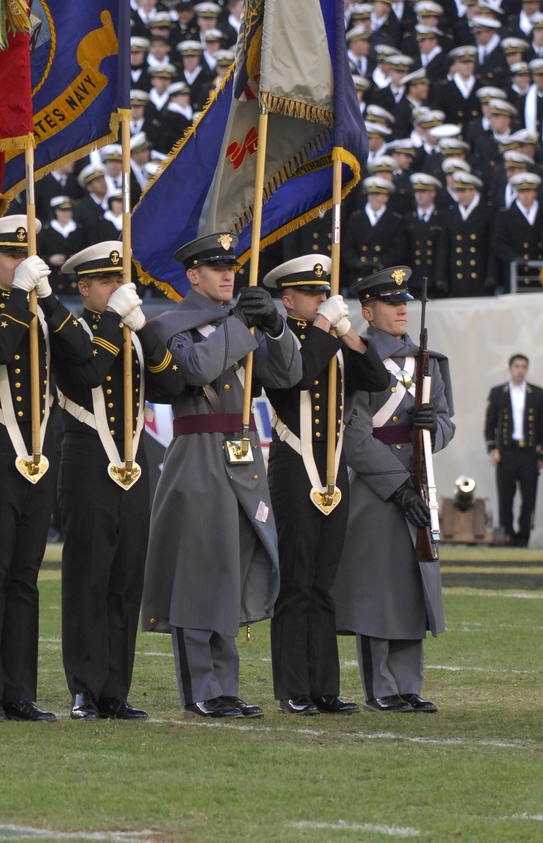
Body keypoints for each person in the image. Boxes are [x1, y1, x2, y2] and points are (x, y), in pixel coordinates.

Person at [141, 233, 302, 718]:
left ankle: (225, 687)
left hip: (241, 450)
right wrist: (240, 325)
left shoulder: (237, 323)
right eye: (216, 267)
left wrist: (275, 327)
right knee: (199, 574)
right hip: (198, 453)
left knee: (230, 570)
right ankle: (201, 690)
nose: (228, 274)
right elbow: (193, 369)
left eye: (232, 266)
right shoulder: (169, 326)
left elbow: (289, 375)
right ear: (193, 275)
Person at [0, 215, 94, 723]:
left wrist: (48, 297)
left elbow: (83, 353)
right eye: (10, 257)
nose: (20, 263)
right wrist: (20, 296)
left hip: (42, 450)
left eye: (25, 256)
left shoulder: (40, 309)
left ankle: (20, 691)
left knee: (25, 575)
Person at [54, 241, 184, 720]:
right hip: (88, 463)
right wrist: (114, 320)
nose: (116, 289)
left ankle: (115, 690)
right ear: (84, 288)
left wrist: (144, 328)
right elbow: (87, 375)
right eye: (106, 282)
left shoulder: (133, 332)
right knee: (88, 576)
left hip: (134, 464)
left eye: (120, 281)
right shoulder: (70, 330)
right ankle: (84, 688)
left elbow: (170, 387)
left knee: (126, 579)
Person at [262, 254, 390, 715]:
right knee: (296, 581)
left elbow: (375, 380)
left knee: (324, 583)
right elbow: (297, 375)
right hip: (295, 467)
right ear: (288, 299)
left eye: (324, 293)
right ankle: (293, 688)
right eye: (312, 294)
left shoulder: (333, 338)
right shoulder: (275, 341)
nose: (322, 299)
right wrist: (323, 328)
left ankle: (324, 687)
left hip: (333, 469)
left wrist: (349, 333)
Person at [332, 267, 453, 712]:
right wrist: (398, 486)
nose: (403, 308)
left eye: (405, 301)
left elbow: (445, 421)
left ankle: (408, 683)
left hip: (421, 481)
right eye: (390, 302)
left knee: (411, 581)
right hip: (377, 485)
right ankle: (380, 687)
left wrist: (432, 429)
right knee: (375, 586)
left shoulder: (427, 362)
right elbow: (354, 436)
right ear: (367, 311)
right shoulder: (354, 359)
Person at [485, 353, 543, 547]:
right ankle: (507, 537)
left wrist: (541, 454)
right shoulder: (497, 393)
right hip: (506, 453)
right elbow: (489, 425)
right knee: (506, 497)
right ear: (510, 368)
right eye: (517, 366)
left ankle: (523, 537)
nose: (520, 370)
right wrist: (493, 450)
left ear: (527, 369)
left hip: (529, 454)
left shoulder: (538, 393)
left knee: (529, 497)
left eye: (524, 367)